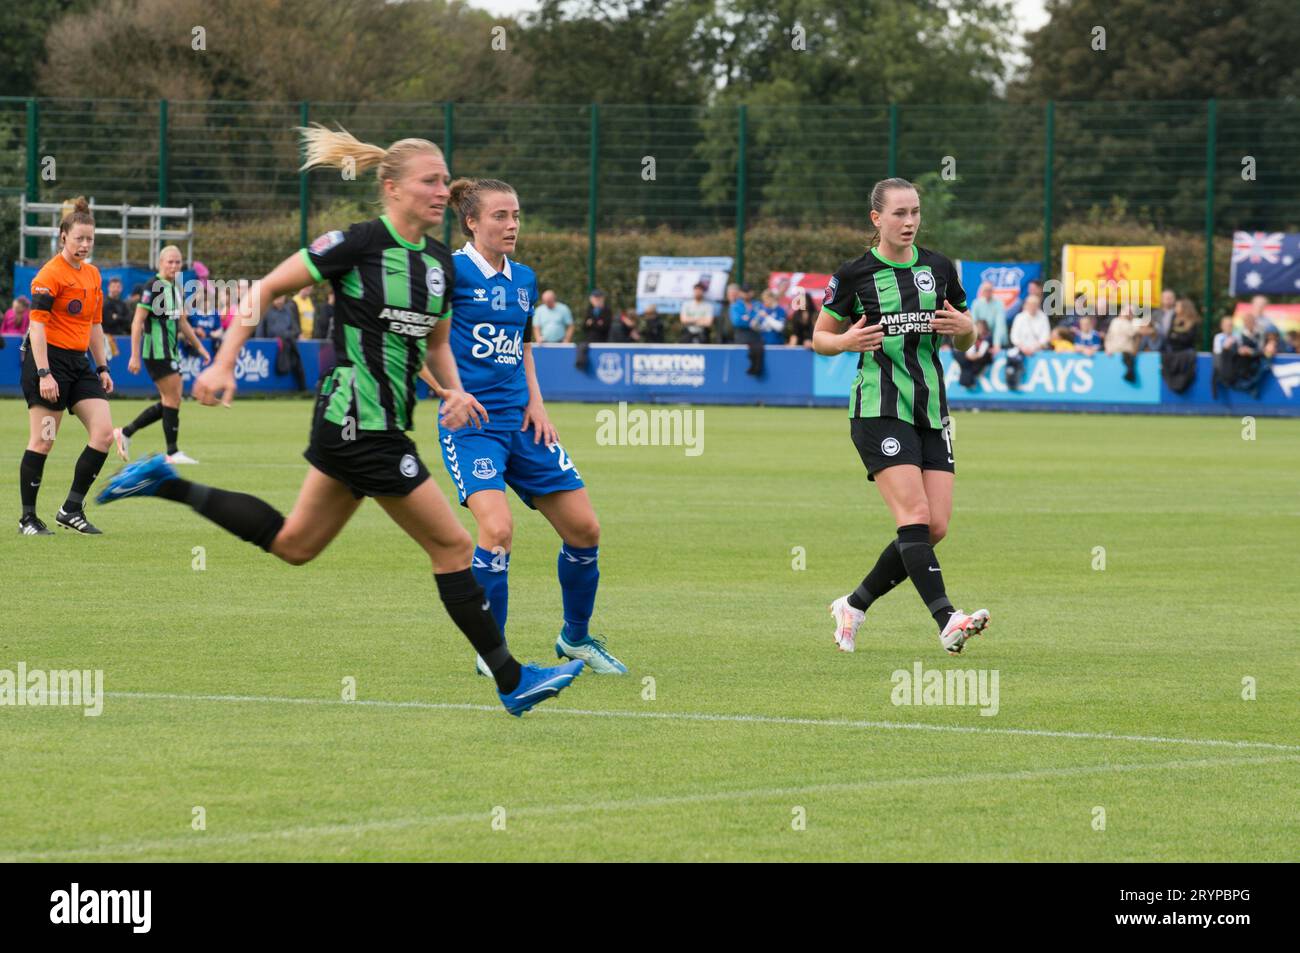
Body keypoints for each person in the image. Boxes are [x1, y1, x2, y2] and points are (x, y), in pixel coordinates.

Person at [95, 126, 583, 717]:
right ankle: (511, 679)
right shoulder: (357, 243)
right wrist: (224, 362)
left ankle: (168, 482)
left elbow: (433, 343)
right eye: (429, 181)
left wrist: (452, 389)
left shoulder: (436, 265)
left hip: (374, 425)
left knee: (295, 544)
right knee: (455, 545)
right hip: (358, 419)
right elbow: (267, 288)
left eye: (442, 178)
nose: (441, 189)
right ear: (391, 187)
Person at [437, 176, 626, 677]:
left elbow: (523, 350)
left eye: (516, 215)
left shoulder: (523, 279)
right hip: (472, 427)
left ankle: (576, 639)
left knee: (585, 529)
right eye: (500, 216)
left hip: (524, 424)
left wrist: (538, 405)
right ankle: (491, 650)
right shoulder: (448, 274)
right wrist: (449, 394)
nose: (513, 224)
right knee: (497, 530)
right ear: (472, 221)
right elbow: (423, 342)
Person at [813, 177, 990, 656]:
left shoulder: (940, 268)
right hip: (878, 409)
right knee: (913, 516)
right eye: (899, 214)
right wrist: (846, 341)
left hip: (932, 409)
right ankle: (947, 619)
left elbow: (965, 335)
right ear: (877, 219)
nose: (909, 221)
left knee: (933, 529)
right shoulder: (854, 275)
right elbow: (821, 338)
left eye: (915, 212)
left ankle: (853, 605)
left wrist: (968, 329)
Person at [17, 197, 116, 536]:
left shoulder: (93, 275)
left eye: (90, 239)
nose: (85, 245)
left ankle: (71, 509)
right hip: (48, 362)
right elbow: (38, 327)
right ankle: (27, 518)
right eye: (79, 239)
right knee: (44, 440)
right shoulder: (49, 275)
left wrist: (102, 368)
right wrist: (44, 373)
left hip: (79, 364)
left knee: (103, 435)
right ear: (63, 237)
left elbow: (94, 325)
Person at [114, 245, 211, 465]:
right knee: (172, 399)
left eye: (178, 262)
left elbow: (182, 322)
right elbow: (138, 321)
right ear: (160, 263)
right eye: (170, 262)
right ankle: (172, 452)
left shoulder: (174, 287)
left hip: (170, 351)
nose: (174, 266)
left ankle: (126, 432)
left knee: (171, 400)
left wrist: (200, 348)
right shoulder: (153, 285)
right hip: (156, 352)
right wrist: (134, 355)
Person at [1005, 293, 1049, 390]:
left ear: (1038, 306)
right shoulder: (1020, 317)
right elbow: (1014, 336)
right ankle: (1013, 383)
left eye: (1035, 305)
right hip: (1021, 349)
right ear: (1026, 305)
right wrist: (1023, 348)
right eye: (1030, 304)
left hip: (1038, 350)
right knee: (1012, 361)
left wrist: (1034, 348)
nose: (1032, 307)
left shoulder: (1043, 317)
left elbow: (1045, 337)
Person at [953, 318, 992, 388]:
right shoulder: (971, 336)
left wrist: (972, 356)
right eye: (977, 327)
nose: (978, 329)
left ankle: (968, 382)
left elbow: (980, 354)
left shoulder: (987, 338)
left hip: (979, 360)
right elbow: (969, 352)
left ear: (984, 329)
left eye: (980, 327)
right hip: (969, 358)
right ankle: (966, 381)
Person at [970, 281, 1008, 350]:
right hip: (980, 336)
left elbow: (999, 325)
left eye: (989, 290)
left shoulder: (999, 304)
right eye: (985, 290)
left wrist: (997, 344)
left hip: (996, 337)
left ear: (993, 291)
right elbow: (973, 323)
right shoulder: (976, 303)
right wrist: (974, 341)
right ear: (981, 291)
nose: (987, 292)